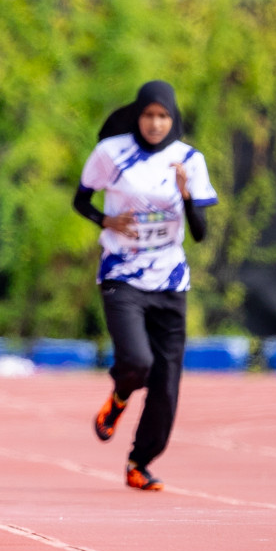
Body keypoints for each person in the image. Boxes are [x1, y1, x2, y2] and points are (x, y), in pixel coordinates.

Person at [75, 80, 215, 491]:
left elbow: (201, 233)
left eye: (163, 116)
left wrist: (187, 196)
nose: (155, 123)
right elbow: (80, 199)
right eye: (149, 115)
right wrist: (105, 220)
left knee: (167, 382)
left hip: (171, 279)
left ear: (173, 120)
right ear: (138, 116)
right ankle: (118, 399)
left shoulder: (189, 159)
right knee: (138, 362)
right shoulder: (111, 153)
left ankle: (139, 461)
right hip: (122, 274)